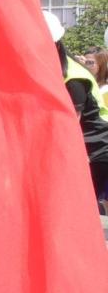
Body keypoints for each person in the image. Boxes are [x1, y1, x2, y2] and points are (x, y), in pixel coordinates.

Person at [44, 12, 108, 215]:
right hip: (86, 149)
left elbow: (70, 128)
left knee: (79, 211)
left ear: (55, 44)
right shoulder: (53, 70)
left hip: (97, 152)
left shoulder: (74, 77)